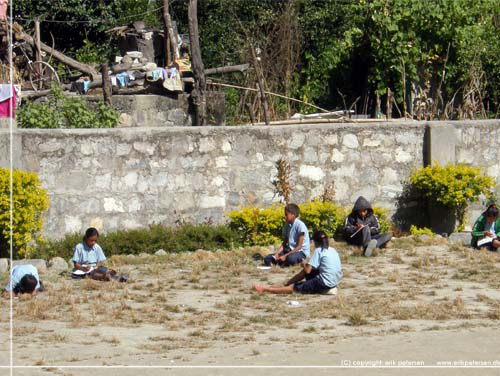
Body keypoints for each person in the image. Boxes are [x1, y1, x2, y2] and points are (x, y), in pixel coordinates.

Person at [254, 230, 342, 294]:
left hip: (324, 283)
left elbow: (307, 270)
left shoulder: (319, 250)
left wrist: (303, 264)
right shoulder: (333, 250)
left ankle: (268, 289)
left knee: (295, 288)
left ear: (316, 242)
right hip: (334, 281)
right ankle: (286, 283)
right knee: (307, 271)